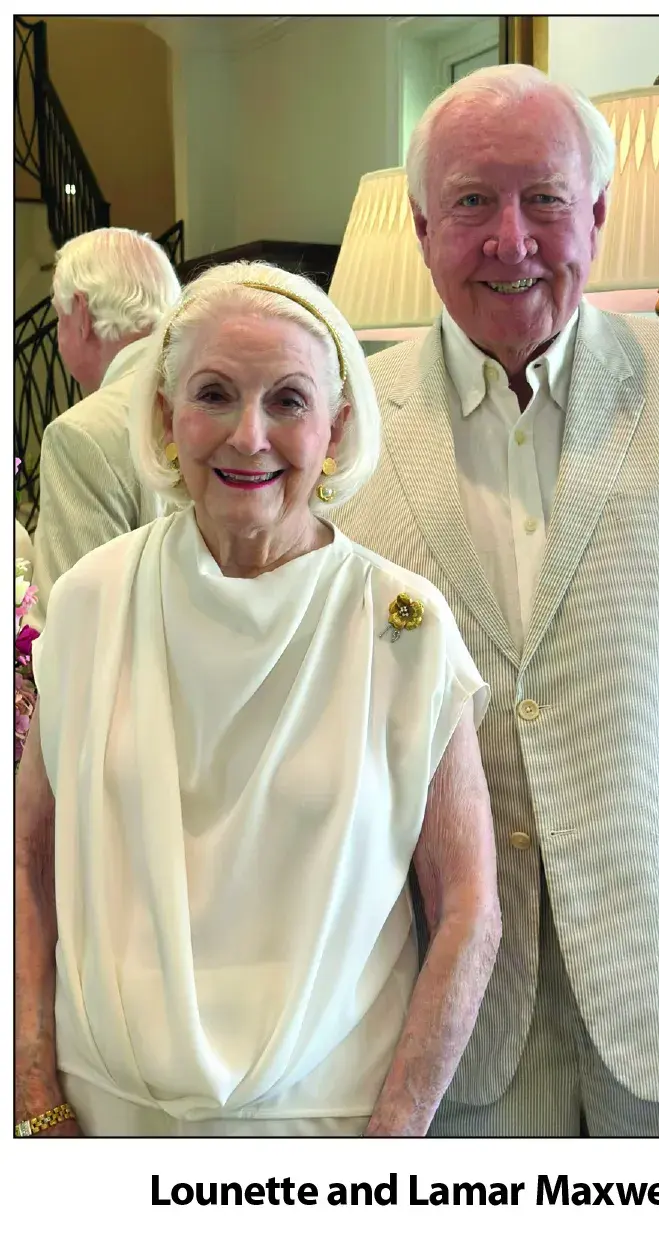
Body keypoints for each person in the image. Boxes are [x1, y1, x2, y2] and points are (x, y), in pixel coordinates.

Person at [333, 64, 659, 1136]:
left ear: (597, 213)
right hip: (446, 994)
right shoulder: (343, 424)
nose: (512, 240)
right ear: (421, 227)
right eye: (471, 202)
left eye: (544, 198)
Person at [14, 261, 500, 1138]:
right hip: (97, 1118)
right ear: (164, 416)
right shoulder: (90, 600)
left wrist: (393, 1140)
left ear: (336, 427)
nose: (249, 436)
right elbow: (27, 860)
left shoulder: (404, 626)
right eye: (214, 395)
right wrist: (34, 1095)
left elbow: (468, 907)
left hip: (325, 1128)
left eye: (287, 401)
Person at [32, 227, 182, 619]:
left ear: (81, 315)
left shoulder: (81, 433)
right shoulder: (220, 398)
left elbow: (74, 624)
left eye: (59, 317)